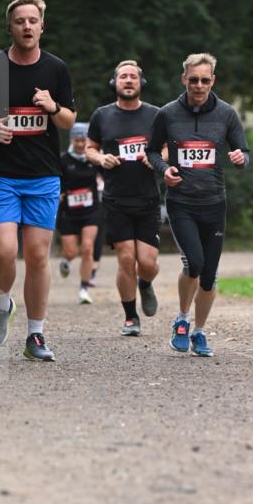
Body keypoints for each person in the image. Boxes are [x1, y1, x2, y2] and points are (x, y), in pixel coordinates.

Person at [0, 0, 76, 361]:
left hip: (43, 175)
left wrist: (53, 107)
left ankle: (36, 336)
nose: (27, 26)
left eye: (32, 20)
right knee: (3, 250)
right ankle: (2, 304)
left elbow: (69, 120)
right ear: (9, 27)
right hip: (1, 174)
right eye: (20, 21)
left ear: (42, 26)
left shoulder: (56, 69)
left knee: (38, 256)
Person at [146, 52, 248, 357]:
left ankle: (199, 332)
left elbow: (243, 149)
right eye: (194, 80)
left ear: (213, 80)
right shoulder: (166, 114)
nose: (199, 85)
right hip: (181, 203)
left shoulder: (227, 114)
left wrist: (241, 157)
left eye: (205, 80)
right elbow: (151, 152)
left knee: (210, 275)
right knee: (194, 262)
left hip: (215, 203)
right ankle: (181, 319)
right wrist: (165, 170)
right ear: (184, 79)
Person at [86, 60, 160, 336]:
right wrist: (100, 158)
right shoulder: (102, 115)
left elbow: (167, 149)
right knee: (126, 259)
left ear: (141, 83)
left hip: (147, 198)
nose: (128, 81)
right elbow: (90, 149)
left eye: (133, 77)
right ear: (114, 83)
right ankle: (130, 317)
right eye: (123, 77)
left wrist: (157, 160)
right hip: (116, 199)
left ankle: (145, 284)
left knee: (148, 263)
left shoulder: (155, 115)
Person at [58, 122, 102, 304]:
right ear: (71, 140)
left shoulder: (94, 159)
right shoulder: (63, 160)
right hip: (69, 212)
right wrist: (58, 194)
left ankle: (84, 288)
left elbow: (105, 175)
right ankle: (66, 261)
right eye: (77, 140)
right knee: (71, 251)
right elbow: (56, 182)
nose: (80, 144)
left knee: (87, 248)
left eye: (83, 140)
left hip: (91, 210)